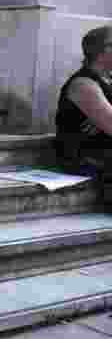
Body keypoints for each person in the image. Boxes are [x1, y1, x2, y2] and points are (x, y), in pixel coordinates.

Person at [56, 25, 112, 207]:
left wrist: (101, 117)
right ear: (103, 50)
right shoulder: (83, 84)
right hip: (85, 156)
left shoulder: (107, 80)